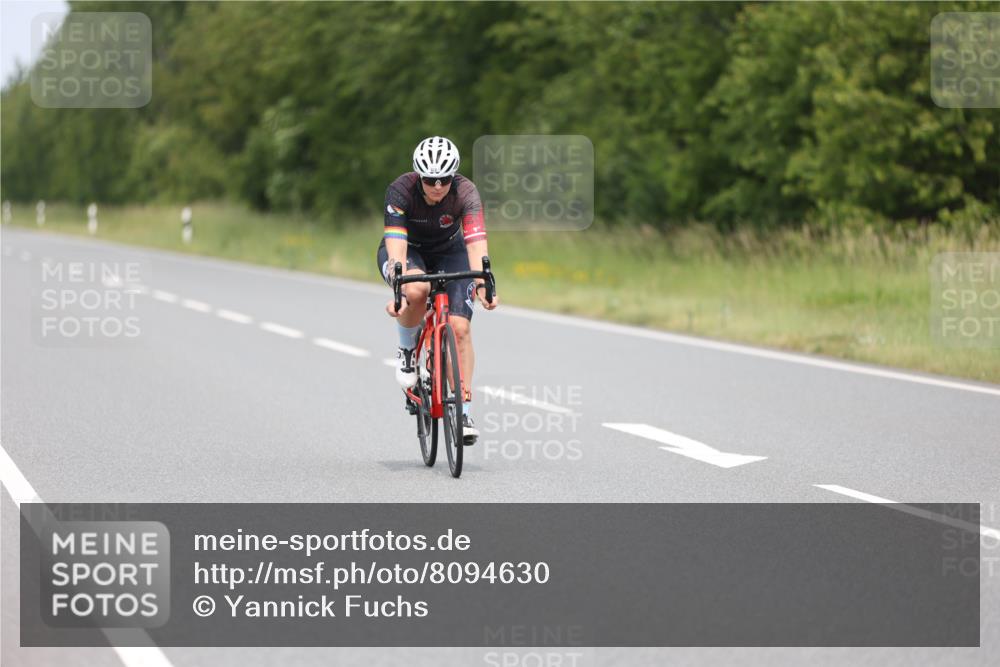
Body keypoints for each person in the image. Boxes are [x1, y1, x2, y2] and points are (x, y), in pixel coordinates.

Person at [376, 136, 498, 444]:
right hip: (408, 250)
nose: (438, 186)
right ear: (420, 176)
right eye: (431, 180)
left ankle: (465, 411)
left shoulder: (466, 192)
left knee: (459, 327)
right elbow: (397, 241)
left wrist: (484, 282)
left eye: (445, 179)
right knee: (416, 291)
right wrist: (400, 288)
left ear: (453, 176)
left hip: (449, 251)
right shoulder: (401, 190)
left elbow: (475, 240)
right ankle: (406, 351)